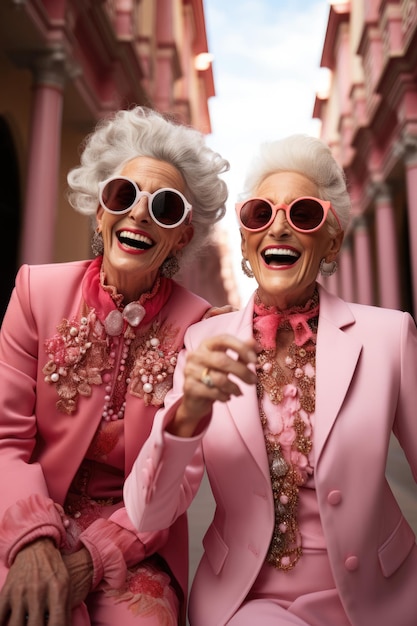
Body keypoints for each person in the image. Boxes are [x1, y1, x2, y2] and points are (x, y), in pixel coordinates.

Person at [124, 134, 417, 626]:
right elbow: (149, 514)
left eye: (302, 215)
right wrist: (185, 416)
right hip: (249, 602)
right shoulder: (202, 343)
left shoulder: (389, 334)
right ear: (245, 239)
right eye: (260, 214)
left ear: (333, 239)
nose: (278, 228)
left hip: (383, 596)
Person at [0, 106, 230, 626]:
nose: (140, 214)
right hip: (20, 512)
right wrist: (35, 543)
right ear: (100, 210)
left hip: (135, 540)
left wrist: (90, 560)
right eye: (124, 195)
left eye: (165, 207)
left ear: (181, 236)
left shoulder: (199, 326)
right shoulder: (36, 292)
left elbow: (177, 486)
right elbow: (5, 442)